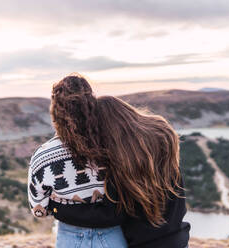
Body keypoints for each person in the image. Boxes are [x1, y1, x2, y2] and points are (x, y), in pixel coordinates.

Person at [27, 73, 190, 248]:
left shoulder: (122, 166)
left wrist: (57, 208)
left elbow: (108, 215)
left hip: (133, 242)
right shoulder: (159, 152)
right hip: (175, 238)